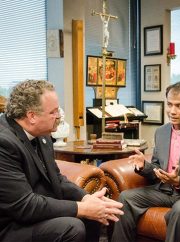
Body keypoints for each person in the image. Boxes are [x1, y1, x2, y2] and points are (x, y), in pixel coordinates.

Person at [0, 80, 124, 242]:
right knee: (72, 227)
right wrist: (81, 208)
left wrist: (86, 198)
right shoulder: (4, 143)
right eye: (53, 112)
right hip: (11, 225)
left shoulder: (42, 134)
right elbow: (24, 205)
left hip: (36, 212)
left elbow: (56, 179)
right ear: (32, 116)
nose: (58, 116)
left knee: (94, 216)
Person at [112, 82, 180, 242]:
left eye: (179, 106)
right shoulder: (161, 132)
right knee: (125, 198)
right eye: (169, 104)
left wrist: (179, 181)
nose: (172, 111)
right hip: (166, 191)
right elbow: (156, 169)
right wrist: (144, 166)